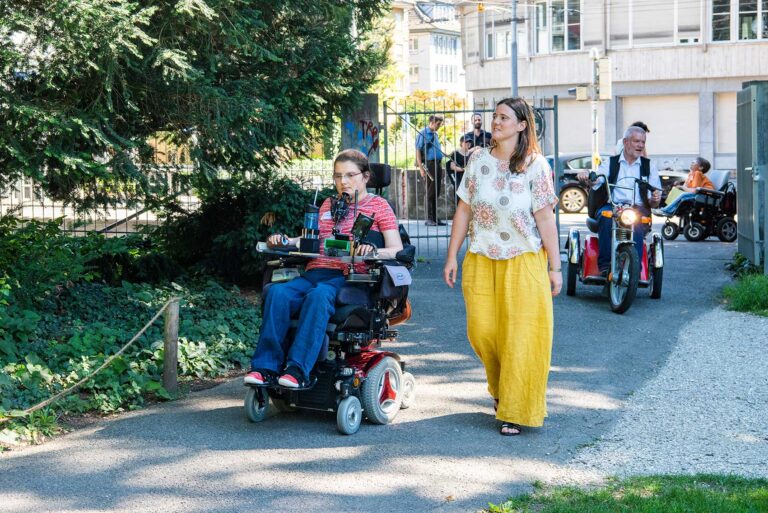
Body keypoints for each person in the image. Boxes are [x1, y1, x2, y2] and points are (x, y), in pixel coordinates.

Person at [443, 97, 561, 436]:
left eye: (504, 117)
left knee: (521, 337)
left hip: (523, 259)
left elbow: (544, 217)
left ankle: (514, 408)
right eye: (495, 116)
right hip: (481, 258)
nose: (496, 122)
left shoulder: (535, 165)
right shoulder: (478, 159)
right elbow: (464, 210)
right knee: (483, 332)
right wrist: (452, 255)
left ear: (522, 125)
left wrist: (555, 267)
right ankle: (500, 390)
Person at [244, 150, 403, 388]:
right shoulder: (329, 204)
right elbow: (314, 239)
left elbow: (396, 249)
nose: (343, 182)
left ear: (366, 177)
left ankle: (297, 370)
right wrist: (286, 241)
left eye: (350, 175)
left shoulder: (379, 206)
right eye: (338, 176)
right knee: (278, 292)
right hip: (316, 272)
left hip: (352, 278)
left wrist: (371, 252)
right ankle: (265, 368)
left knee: (318, 296)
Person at [579, 126, 662, 275]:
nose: (641, 145)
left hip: (638, 208)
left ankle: (633, 270)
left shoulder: (649, 167)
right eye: (637, 141)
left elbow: (653, 201)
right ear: (625, 142)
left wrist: (656, 199)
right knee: (606, 217)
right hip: (613, 206)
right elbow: (596, 181)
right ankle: (605, 266)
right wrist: (587, 177)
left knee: (636, 221)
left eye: (643, 142)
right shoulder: (610, 163)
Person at [415, 115, 446, 226]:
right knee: (430, 191)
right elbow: (418, 151)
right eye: (438, 124)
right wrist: (421, 168)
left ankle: (435, 218)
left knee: (436, 191)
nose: (439, 126)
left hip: (437, 164)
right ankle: (429, 218)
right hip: (430, 165)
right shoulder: (423, 133)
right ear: (432, 122)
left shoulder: (435, 134)